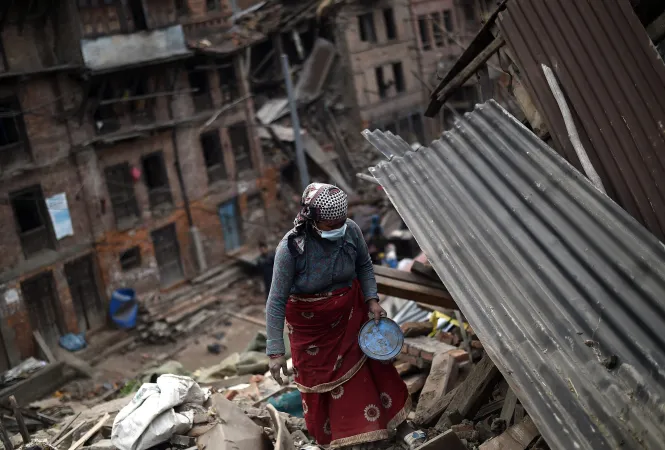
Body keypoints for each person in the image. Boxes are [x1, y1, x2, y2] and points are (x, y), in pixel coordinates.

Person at [266, 183, 422, 449]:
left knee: (376, 370)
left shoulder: (350, 231)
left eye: (340, 222)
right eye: (330, 225)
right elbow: (276, 300)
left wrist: (372, 299)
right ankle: (346, 439)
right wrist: (275, 351)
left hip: (352, 313)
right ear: (312, 219)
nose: (337, 229)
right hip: (312, 329)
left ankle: (397, 425)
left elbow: (364, 265)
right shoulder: (291, 249)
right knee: (324, 386)